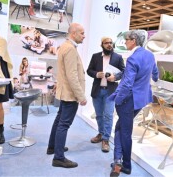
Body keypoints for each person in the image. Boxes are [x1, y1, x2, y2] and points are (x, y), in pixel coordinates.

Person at [108, 31, 159, 176]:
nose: (125, 42)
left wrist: (118, 99)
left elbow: (127, 84)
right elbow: (155, 74)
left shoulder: (133, 58)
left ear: (134, 40)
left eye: (126, 39)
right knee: (120, 128)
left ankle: (125, 165)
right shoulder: (150, 55)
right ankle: (118, 161)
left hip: (128, 100)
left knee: (124, 132)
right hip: (141, 100)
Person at [47, 23, 87, 168]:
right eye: (82, 33)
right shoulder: (70, 48)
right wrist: (81, 96)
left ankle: (53, 147)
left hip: (65, 92)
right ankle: (58, 157)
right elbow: (72, 75)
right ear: (73, 33)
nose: (84, 36)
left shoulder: (65, 46)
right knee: (64, 124)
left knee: (59, 120)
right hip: (70, 93)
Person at [87, 37, 126, 153]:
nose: (109, 45)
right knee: (99, 115)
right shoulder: (95, 56)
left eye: (110, 43)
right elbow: (89, 70)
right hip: (97, 90)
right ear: (102, 45)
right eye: (106, 43)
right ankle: (101, 133)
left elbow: (124, 72)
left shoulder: (118, 57)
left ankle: (106, 139)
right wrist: (96, 74)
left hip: (110, 91)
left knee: (108, 115)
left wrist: (115, 77)